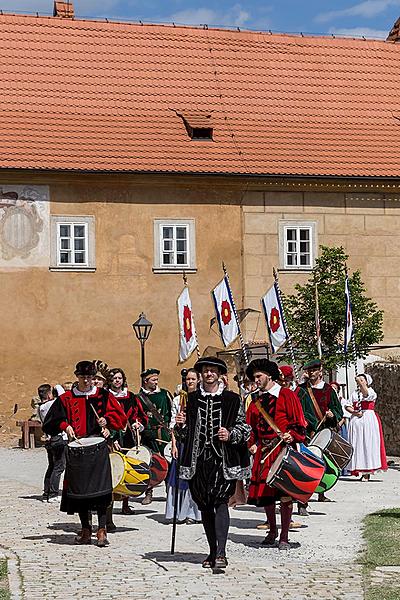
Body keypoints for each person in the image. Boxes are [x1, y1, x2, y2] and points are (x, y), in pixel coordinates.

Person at [43, 360, 127, 547]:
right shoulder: (66, 398)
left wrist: (107, 424)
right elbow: (50, 422)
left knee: (102, 492)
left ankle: (102, 530)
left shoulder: (103, 396)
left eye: (90, 377)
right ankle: (86, 530)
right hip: (77, 449)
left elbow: (120, 419)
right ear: (77, 377)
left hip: (98, 449)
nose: (87, 381)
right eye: (83, 377)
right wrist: (66, 425)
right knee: (82, 493)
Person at [178, 356, 251, 569]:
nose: (209, 374)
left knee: (220, 503)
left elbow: (245, 428)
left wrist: (230, 434)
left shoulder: (232, 399)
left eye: (213, 371)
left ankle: (221, 552)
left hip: (222, 460)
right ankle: (211, 551)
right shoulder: (190, 400)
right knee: (205, 506)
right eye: (205, 371)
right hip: (198, 461)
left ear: (219, 375)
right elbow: (183, 435)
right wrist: (180, 426)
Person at [246, 359, 307, 550]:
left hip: (282, 451)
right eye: (254, 377)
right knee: (267, 496)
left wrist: (292, 435)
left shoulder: (287, 395)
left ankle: (284, 536)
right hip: (263, 453)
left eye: (258, 376)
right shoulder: (255, 401)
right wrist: (251, 444)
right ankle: (272, 530)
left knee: (285, 495)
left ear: (269, 375)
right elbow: (250, 428)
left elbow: (299, 424)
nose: (255, 380)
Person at [298, 358, 343, 503]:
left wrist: (332, 415)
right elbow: (295, 408)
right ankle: (302, 500)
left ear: (320, 371)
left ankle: (321, 493)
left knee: (323, 463)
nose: (311, 373)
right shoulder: (301, 390)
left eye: (313, 370)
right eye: (309, 370)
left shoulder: (328, 390)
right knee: (305, 466)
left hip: (323, 433)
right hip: (306, 433)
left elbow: (338, 410)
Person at [108, 367, 148, 516]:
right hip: (113, 437)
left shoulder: (131, 397)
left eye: (119, 378)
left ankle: (126, 503)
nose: (117, 380)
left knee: (129, 469)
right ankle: (109, 506)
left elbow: (140, 415)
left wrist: (138, 424)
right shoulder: (106, 397)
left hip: (128, 437)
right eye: (114, 378)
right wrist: (112, 437)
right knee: (113, 470)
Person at [165, 368, 201, 524]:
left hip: (198, 441)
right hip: (182, 441)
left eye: (193, 379)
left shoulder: (202, 398)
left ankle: (194, 513)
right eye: (188, 379)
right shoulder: (178, 400)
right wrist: (174, 445)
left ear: (198, 380)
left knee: (196, 478)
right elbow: (173, 424)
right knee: (178, 477)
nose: (190, 382)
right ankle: (179, 512)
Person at [136, 368, 172, 506]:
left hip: (163, 432)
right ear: (146, 381)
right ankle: (149, 492)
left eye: (157, 379)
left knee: (168, 460)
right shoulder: (139, 398)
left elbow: (171, 412)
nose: (156, 382)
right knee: (150, 463)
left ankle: (170, 492)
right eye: (153, 379)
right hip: (148, 434)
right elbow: (137, 416)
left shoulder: (164, 394)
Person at [346, 374, 387, 480]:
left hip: (368, 419)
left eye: (362, 380)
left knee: (367, 443)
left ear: (367, 382)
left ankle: (367, 471)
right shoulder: (354, 393)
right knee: (357, 444)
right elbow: (347, 405)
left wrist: (360, 382)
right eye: (359, 380)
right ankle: (360, 468)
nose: (360, 382)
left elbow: (366, 394)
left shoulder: (371, 391)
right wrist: (354, 412)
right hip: (356, 420)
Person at [37, 384, 67, 503]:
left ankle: (46, 493)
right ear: (49, 394)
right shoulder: (51, 404)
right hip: (58, 438)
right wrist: (58, 386)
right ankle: (54, 494)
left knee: (51, 466)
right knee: (59, 466)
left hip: (50, 439)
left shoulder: (40, 408)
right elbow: (64, 397)